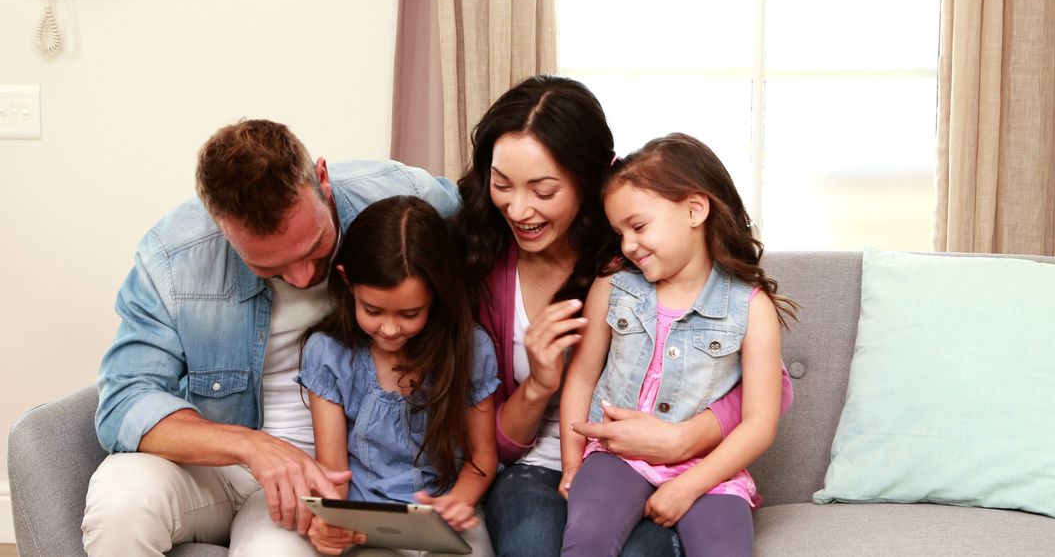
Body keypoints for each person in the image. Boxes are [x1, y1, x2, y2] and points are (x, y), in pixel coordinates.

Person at [449, 76, 794, 557]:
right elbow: (494, 445)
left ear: (588, 184)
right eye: (502, 184)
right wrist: (539, 386)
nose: (518, 207)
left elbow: (765, 394)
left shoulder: (636, 255)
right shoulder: (477, 263)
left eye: (543, 190)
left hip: (659, 461)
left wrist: (683, 441)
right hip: (548, 463)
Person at [83, 120, 461, 556]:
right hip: (217, 464)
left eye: (315, 247)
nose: (302, 277)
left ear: (322, 180)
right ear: (222, 228)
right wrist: (253, 447)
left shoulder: (400, 196)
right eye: (269, 267)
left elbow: (491, 228)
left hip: (333, 476)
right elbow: (123, 402)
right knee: (120, 501)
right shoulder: (173, 257)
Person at [558, 133, 799, 557]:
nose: (628, 244)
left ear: (694, 209)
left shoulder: (751, 308)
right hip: (617, 456)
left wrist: (688, 486)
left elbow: (760, 423)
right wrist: (573, 464)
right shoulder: (614, 287)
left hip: (709, 469)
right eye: (620, 232)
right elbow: (580, 376)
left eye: (638, 226)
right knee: (587, 538)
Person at [299, 195, 499, 556]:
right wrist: (328, 525)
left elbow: (482, 457)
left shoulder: (471, 348)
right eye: (373, 310)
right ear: (348, 282)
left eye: (409, 314)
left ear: (436, 296)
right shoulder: (328, 354)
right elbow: (333, 477)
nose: (389, 329)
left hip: (443, 511)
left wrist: (457, 504)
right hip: (364, 519)